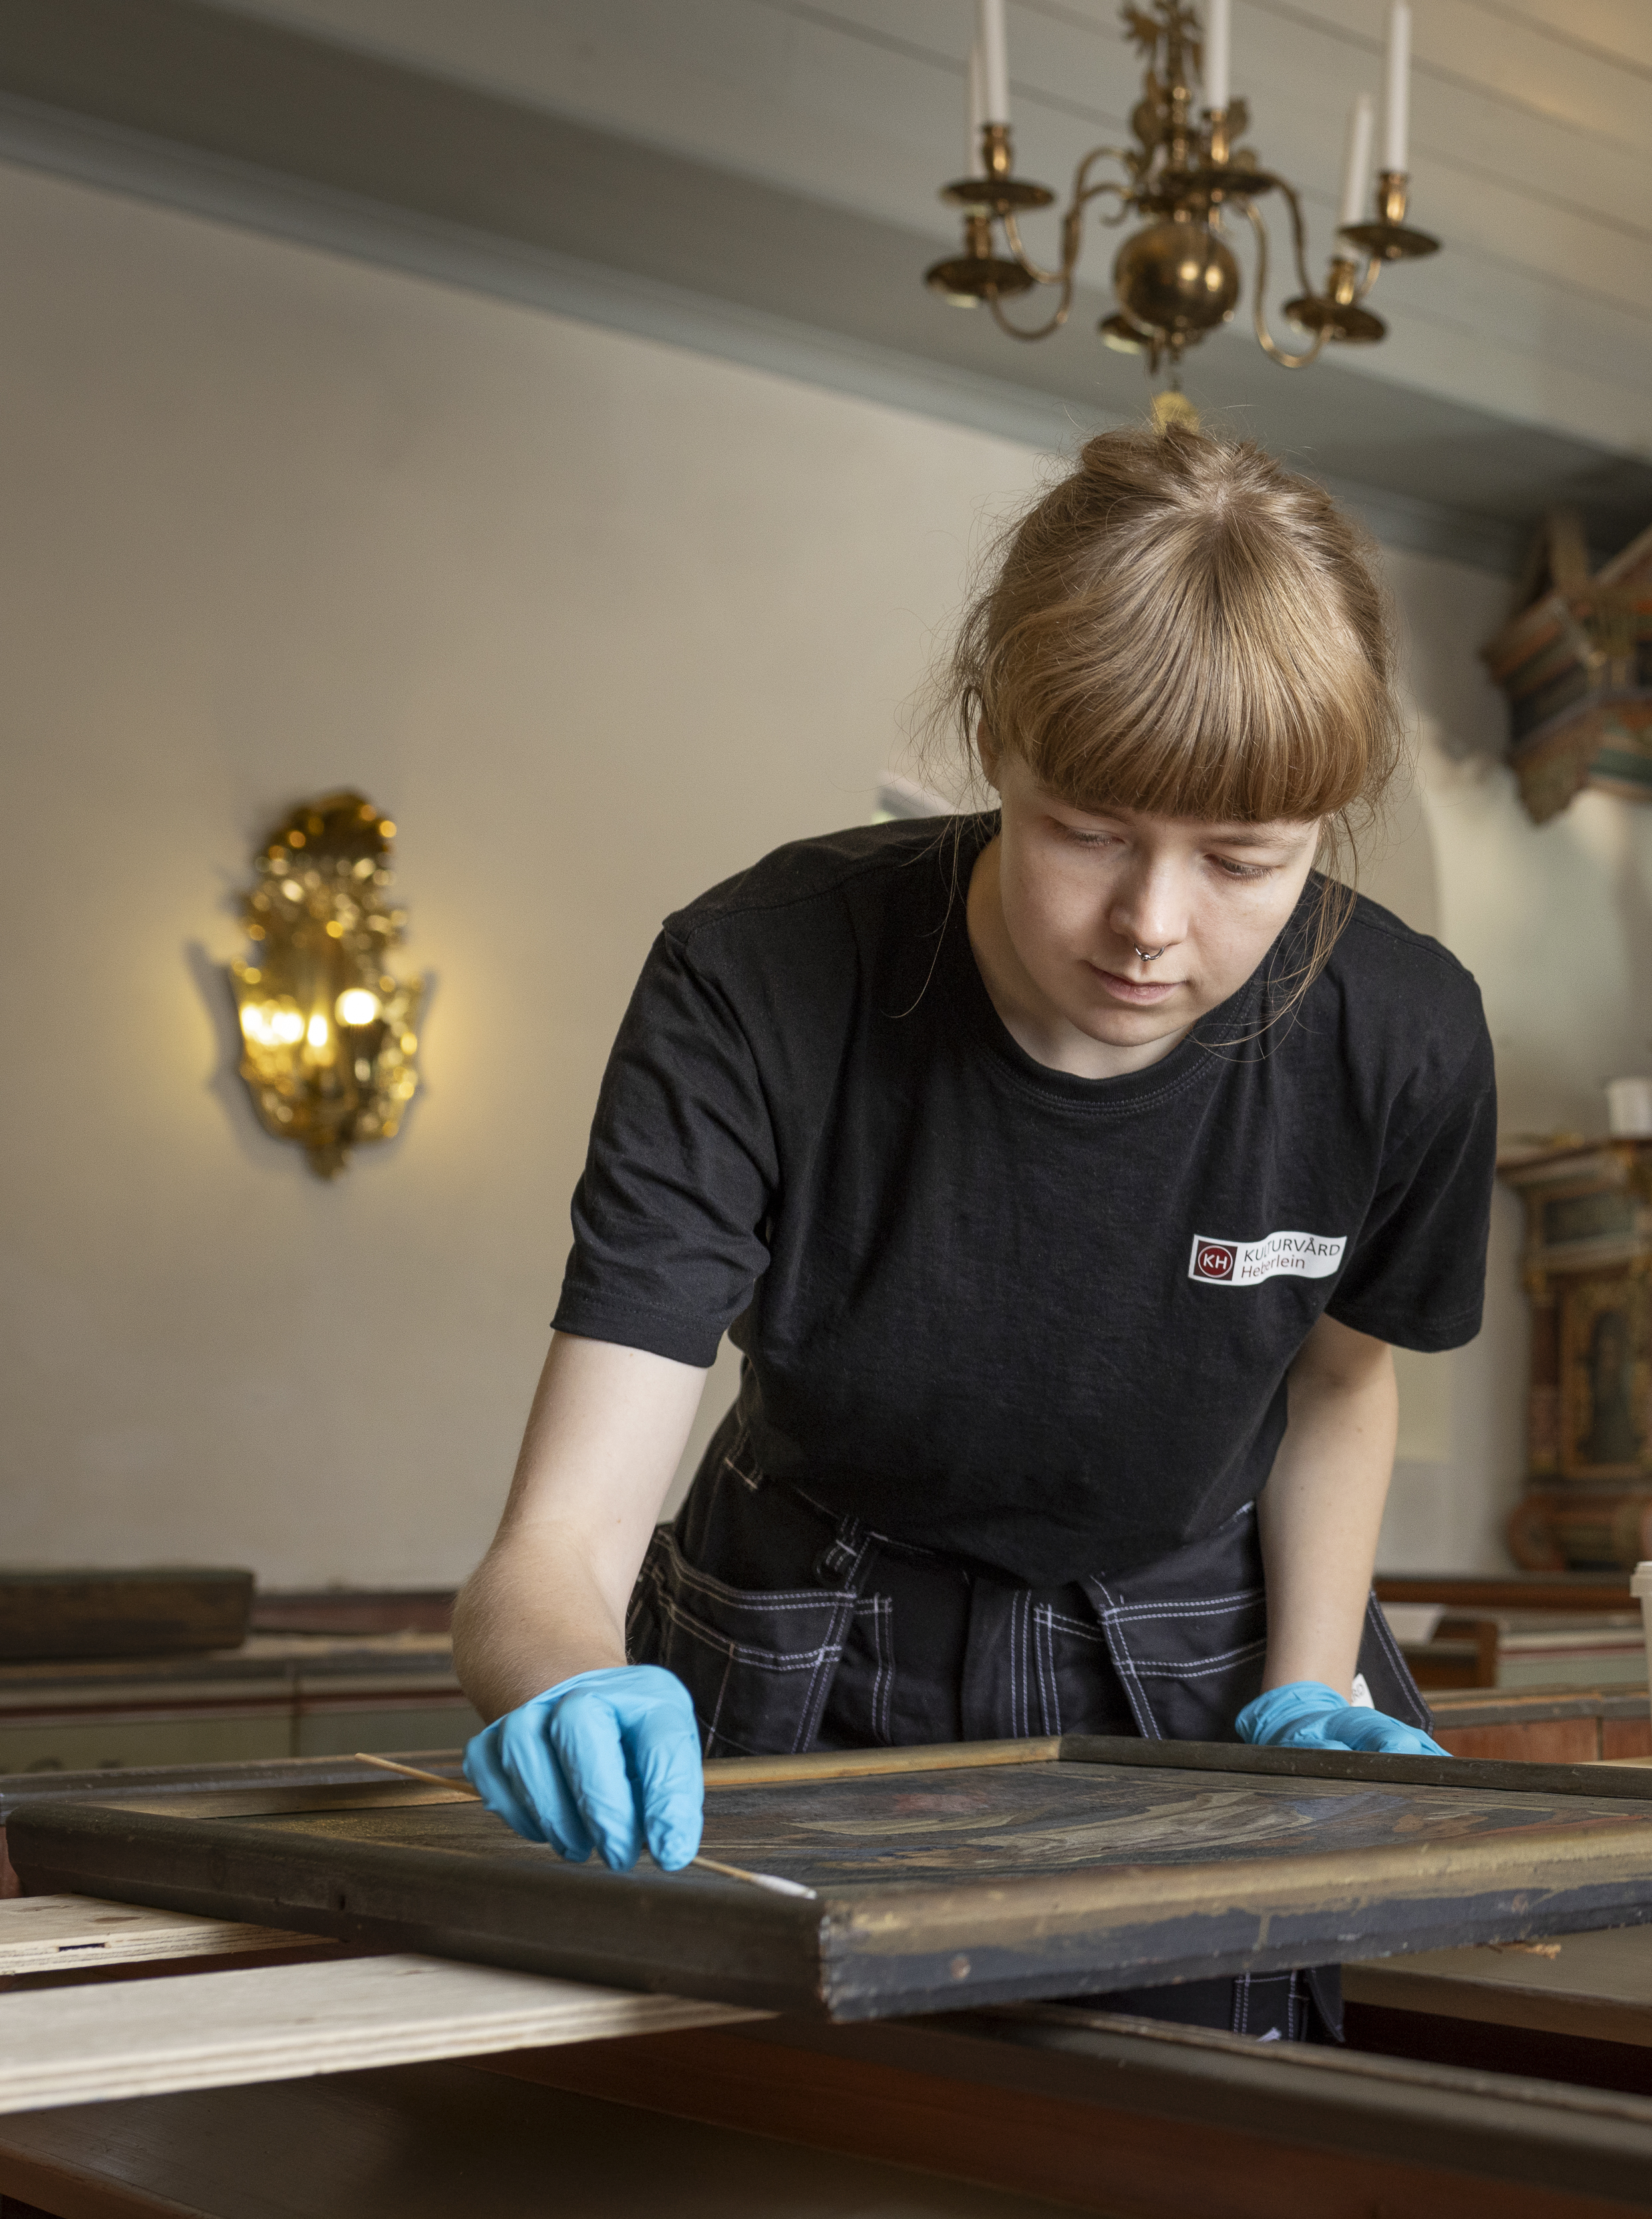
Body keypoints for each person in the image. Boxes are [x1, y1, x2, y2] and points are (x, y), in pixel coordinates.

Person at [446, 425, 1496, 2045]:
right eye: (1088, 828)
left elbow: (1337, 1383)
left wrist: (1307, 1687)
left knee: (1207, 2135)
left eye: (1242, 862)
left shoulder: (1401, 1032)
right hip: (805, 1622)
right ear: (994, 747)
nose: (1153, 926)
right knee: (754, 2134)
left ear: (1326, 822)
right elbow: (554, 1549)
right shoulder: (755, 983)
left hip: (1200, 1645)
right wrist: (562, 1676)